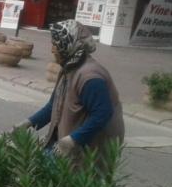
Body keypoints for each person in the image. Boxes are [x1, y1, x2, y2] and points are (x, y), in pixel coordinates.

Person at [16, 20, 124, 171]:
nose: (52, 49)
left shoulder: (90, 77)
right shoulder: (69, 68)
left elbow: (102, 113)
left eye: (56, 44)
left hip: (88, 150)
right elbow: (53, 106)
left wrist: (73, 140)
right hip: (63, 143)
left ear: (68, 44)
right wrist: (28, 123)